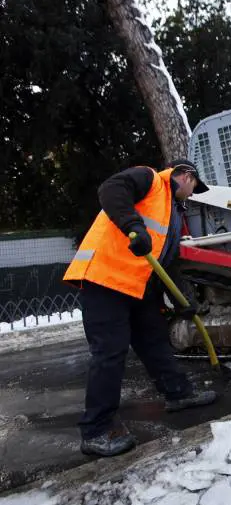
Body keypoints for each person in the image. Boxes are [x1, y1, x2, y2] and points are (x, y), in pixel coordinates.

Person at [63, 160, 217, 457]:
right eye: (195, 186)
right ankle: (96, 430)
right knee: (110, 352)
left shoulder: (172, 211)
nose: (194, 193)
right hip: (105, 278)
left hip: (138, 286)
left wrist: (185, 301)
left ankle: (178, 393)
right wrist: (133, 225)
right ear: (185, 176)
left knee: (154, 341)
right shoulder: (150, 179)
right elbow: (110, 189)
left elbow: (168, 262)